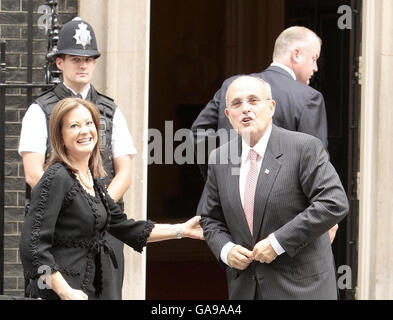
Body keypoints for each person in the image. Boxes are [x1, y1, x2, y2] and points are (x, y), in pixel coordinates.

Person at [19, 97, 204, 300]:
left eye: (89, 123)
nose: (85, 130)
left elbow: (128, 228)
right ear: (60, 137)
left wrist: (182, 230)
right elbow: (33, 246)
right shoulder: (56, 177)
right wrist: (64, 291)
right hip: (61, 294)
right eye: (74, 125)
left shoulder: (92, 181)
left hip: (89, 289)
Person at [198, 76, 349, 300]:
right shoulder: (220, 158)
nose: (246, 109)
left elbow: (333, 203)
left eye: (253, 100)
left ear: (271, 107)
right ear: (228, 116)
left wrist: (278, 243)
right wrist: (226, 250)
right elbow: (210, 218)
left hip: (301, 290)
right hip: (246, 290)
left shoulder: (303, 148)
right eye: (237, 104)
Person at [18, 17, 134, 299]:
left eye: (89, 59)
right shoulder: (39, 110)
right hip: (62, 232)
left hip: (105, 234)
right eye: (74, 58)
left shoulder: (111, 110)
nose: (82, 65)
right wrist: (80, 211)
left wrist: (100, 212)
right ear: (59, 63)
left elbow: (125, 172)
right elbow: (34, 174)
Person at [192, 26, 338, 243]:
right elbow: (316, 161)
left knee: (238, 267)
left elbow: (199, 133)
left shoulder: (231, 88)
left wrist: (221, 179)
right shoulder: (308, 97)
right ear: (296, 54)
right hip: (285, 217)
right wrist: (326, 219)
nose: (315, 67)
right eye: (313, 58)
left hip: (229, 211)